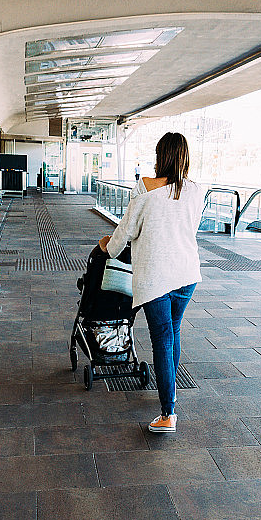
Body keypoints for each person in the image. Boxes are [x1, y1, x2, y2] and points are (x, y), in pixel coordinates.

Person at [99, 132, 204, 433]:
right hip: (186, 274)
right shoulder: (197, 191)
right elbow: (185, 227)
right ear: (185, 156)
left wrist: (109, 247)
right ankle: (169, 396)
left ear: (161, 156)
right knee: (173, 332)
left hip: (157, 276)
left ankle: (167, 413)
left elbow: (124, 231)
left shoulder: (144, 188)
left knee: (162, 337)